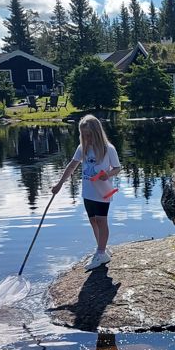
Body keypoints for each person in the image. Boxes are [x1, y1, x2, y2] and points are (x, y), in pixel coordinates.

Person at [52, 115, 122, 271]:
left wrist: (108, 175)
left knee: (101, 220)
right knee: (93, 221)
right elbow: (71, 166)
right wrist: (59, 184)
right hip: (87, 192)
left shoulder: (108, 149)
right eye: (84, 135)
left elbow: (117, 168)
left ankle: (101, 253)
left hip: (102, 191)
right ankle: (101, 248)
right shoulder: (82, 148)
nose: (87, 138)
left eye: (89, 135)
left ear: (97, 133)